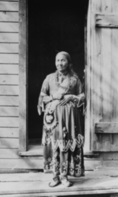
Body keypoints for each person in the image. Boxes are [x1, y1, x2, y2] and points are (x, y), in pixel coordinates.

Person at [37, 51, 85, 187]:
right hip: (53, 118)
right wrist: (53, 97)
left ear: (69, 63)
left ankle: (64, 176)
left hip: (69, 118)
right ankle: (54, 176)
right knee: (54, 145)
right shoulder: (49, 78)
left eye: (63, 60)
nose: (60, 63)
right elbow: (42, 97)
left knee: (66, 144)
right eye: (57, 60)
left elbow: (82, 97)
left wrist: (72, 97)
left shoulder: (74, 79)